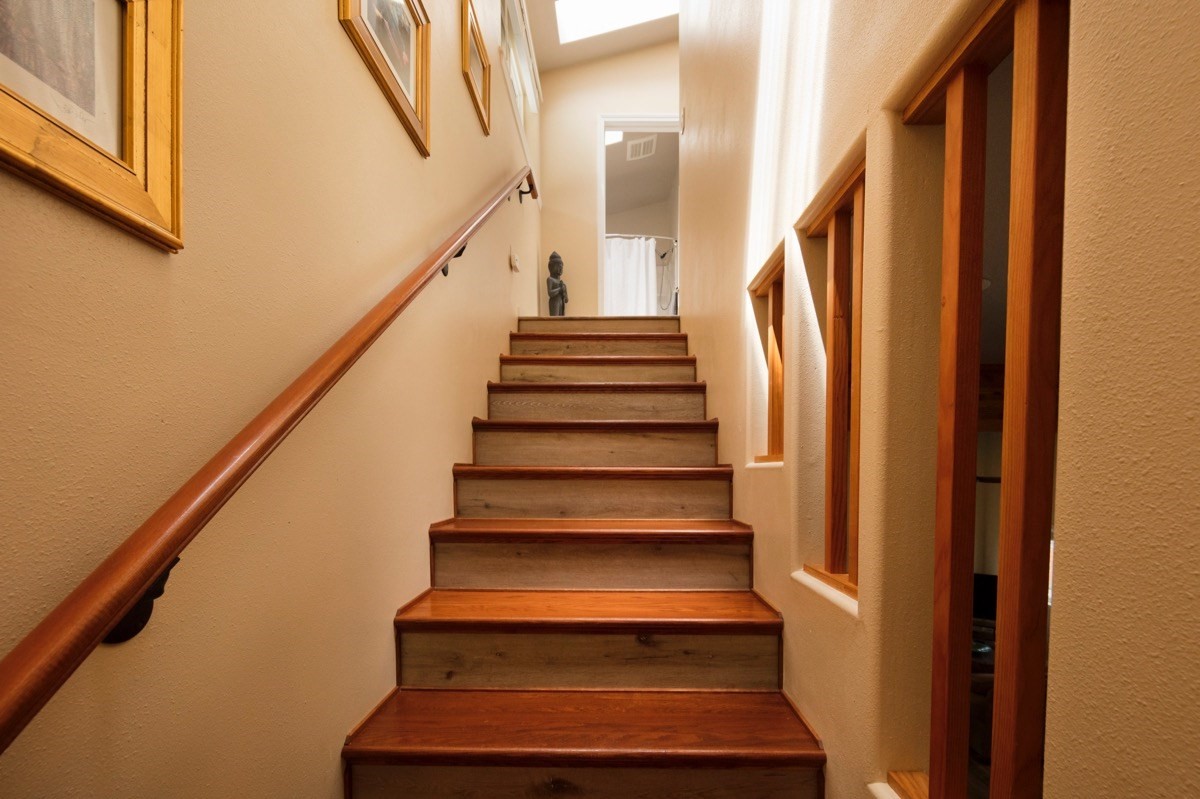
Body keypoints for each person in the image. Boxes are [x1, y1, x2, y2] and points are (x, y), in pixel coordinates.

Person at [547, 251, 568, 316]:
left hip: (561, 303)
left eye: (561, 266)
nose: (561, 268)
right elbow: (550, 293)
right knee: (554, 321)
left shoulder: (562, 283)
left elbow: (566, 300)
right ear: (551, 267)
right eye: (558, 266)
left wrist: (564, 292)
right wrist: (560, 289)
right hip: (554, 303)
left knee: (561, 322)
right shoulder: (550, 279)